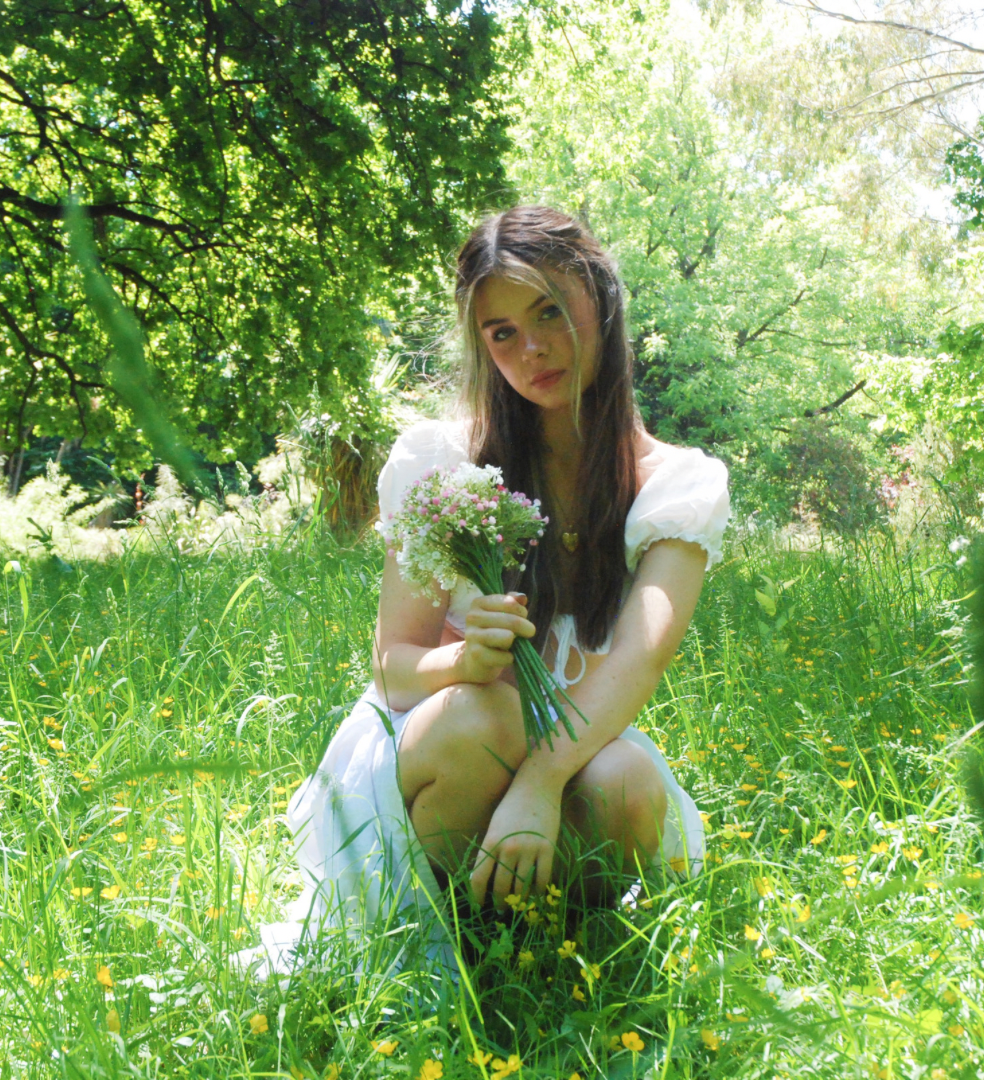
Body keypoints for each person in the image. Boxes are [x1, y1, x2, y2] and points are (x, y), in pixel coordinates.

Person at [282, 206, 729, 953]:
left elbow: (639, 656)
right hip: (440, 745)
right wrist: (465, 660)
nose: (533, 349)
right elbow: (393, 666)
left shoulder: (674, 483)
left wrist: (541, 784)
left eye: (549, 311)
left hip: (567, 747)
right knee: (481, 716)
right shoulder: (443, 462)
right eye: (502, 333)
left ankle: (548, 947)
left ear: (601, 297)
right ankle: (456, 938)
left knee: (625, 782)